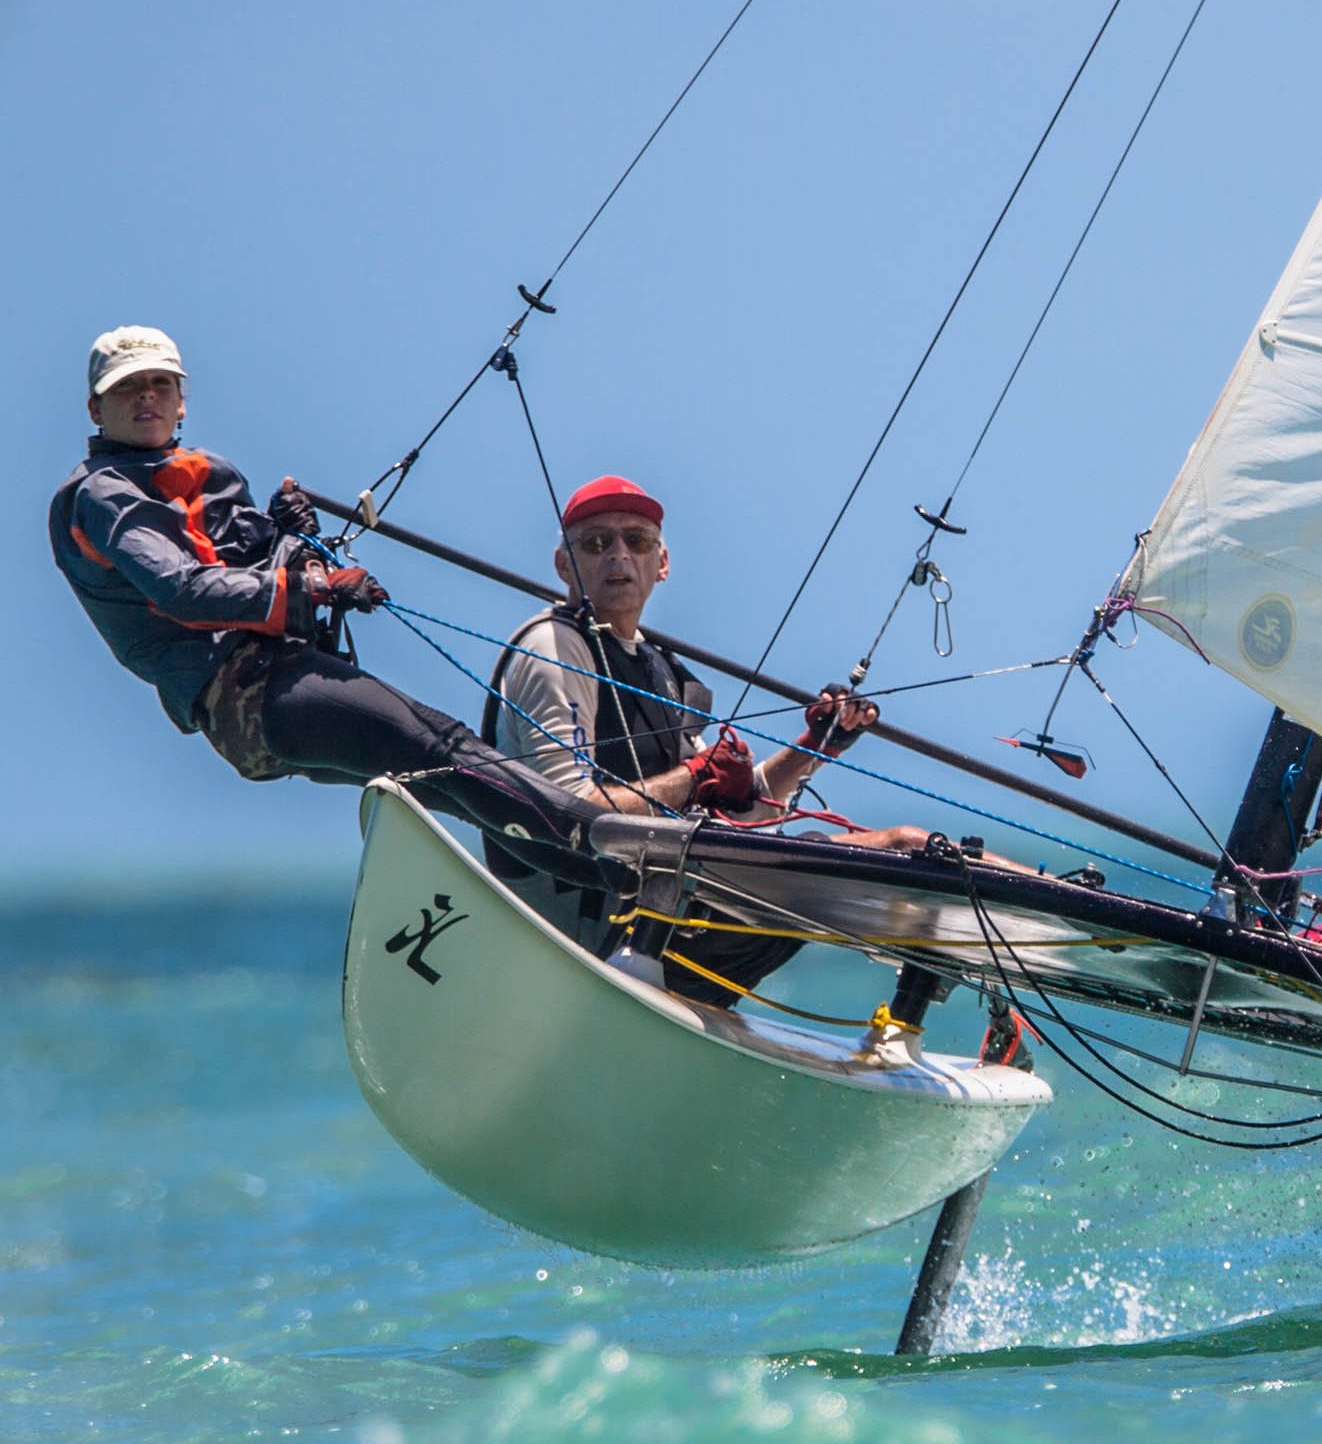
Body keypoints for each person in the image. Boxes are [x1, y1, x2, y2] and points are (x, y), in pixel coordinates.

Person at [47, 325, 626, 896]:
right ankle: (631, 851)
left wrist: (291, 536)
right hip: (250, 694)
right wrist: (314, 587)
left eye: (160, 383)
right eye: (127, 387)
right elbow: (183, 590)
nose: (146, 396)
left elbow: (253, 565)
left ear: (181, 401)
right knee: (447, 749)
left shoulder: (207, 472)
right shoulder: (102, 493)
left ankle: (622, 886)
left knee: (450, 779)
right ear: (96, 409)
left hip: (279, 684)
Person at [486, 473, 976, 1005]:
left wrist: (818, 744)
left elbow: (739, 811)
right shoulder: (555, 646)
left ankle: (1038, 900)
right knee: (891, 847)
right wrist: (697, 776)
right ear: (565, 564)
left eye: (637, 540)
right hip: (576, 936)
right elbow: (570, 813)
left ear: (662, 563)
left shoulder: (660, 668)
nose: (618, 555)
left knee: (906, 851)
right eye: (596, 542)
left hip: (660, 916)